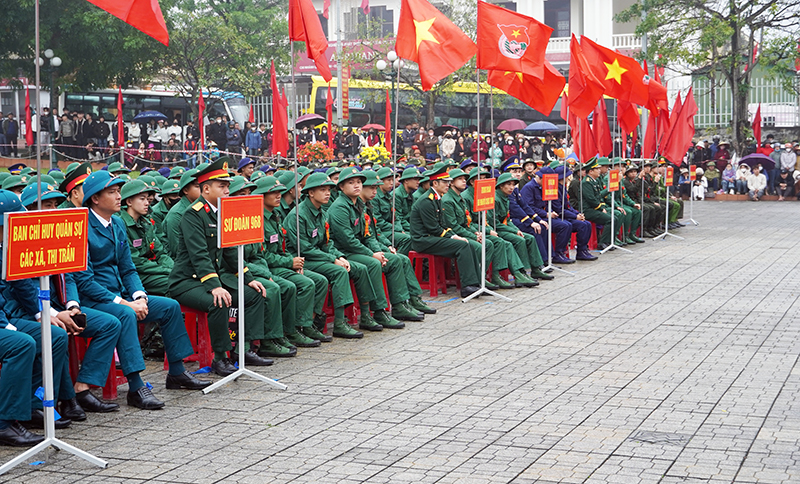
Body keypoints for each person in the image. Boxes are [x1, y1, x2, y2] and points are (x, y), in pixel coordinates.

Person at [75, 171, 211, 409]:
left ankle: (176, 372)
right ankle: (136, 387)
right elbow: (85, 282)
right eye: (113, 192)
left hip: (121, 295)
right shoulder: (83, 226)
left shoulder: (116, 223)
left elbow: (127, 268)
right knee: (126, 315)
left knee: (169, 306)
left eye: (118, 191)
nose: (119, 196)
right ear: (95, 198)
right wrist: (125, 303)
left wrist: (139, 295)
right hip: (94, 300)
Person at [169, 158, 278, 376]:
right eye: (222, 186)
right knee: (218, 301)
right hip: (187, 281)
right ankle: (220, 358)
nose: (228, 190)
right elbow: (199, 256)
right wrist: (215, 286)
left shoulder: (223, 211)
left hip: (212, 277)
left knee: (255, 293)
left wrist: (248, 278)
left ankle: (243, 350)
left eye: (228, 186)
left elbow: (230, 252)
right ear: (206, 188)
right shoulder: (193, 214)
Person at [329, 168, 420, 328]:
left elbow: (369, 234)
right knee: (373, 263)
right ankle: (376, 311)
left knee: (396, 259)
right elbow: (348, 241)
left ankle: (399, 305)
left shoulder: (359, 205)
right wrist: (372, 254)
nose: (357, 186)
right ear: (341, 187)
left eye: (358, 182)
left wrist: (378, 251)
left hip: (359, 249)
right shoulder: (340, 207)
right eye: (351, 183)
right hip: (345, 253)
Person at [284, 173, 369, 339]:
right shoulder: (298, 215)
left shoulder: (321, 212)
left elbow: (327, 242)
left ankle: (366, 314)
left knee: (356, 268)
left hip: (318, 257)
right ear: (311, 193)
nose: (328, 193)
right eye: (322, 190)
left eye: (329, 189)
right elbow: (305, 248)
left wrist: (339, 256)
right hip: (300, 260)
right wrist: (333, 259)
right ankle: (338, 323)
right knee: (338, 272)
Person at [252, 176, 331, 344]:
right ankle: (292, 330)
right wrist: (289, 262)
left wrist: (293, 261)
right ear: (261, 196)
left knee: (320, 280)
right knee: (303, 284)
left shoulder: (274, 216)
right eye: (273, 192)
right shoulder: (258, 220)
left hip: (281, 263)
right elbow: (263, 255)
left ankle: (307, 324)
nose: (278, 195)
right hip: (269, 267)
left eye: (279, 191)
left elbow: (283, 247)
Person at [442, 168, 535, 288]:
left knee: (510, 240)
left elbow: (470, 222)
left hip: (476, 229)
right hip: (459, 234)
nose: (463, 181)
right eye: (460, 179)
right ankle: (486, 276)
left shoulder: (469, 197)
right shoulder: (461, 198)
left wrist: (479, 231)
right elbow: (456, 225)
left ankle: (516, 273)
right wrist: (477, 233)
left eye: (485, 178)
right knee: (496, 242)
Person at [409, 165, 482, 298]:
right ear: (435, 183)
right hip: (423, 240)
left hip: (432, 237)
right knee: (462, 245)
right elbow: (433, 228)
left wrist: (454, 235)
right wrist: (454, 237)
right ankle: (467, 286)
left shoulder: (437, 198)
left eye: (449, 182)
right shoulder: (427, 201)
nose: (448, 185)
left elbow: (442, 224)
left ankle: (476, 282)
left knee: (469, 244)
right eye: (445, 182)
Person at [552, 165, 596, 261]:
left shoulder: (562, 188)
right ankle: (559, 252)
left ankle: (582, 250)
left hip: (567, 215)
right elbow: (559, 210)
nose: (569, 178)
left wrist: (577, 214)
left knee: (586, 224)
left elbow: (568, 205)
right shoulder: (555, 189)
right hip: (559, 216)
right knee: (567, 226)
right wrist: (575, 216)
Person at [580, 157, 624, 250]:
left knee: (615, 216)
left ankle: (610, 240)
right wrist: (600, 208)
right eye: (596, 169)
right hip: (589, 210)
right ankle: (603, 242)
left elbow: (599, 196)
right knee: (610, 219)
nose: (599, 170)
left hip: (595, 207)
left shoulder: (594, 181)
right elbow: (591, 200)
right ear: (591, 171)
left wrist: (602, 206)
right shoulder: (586, 182)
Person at [160, 169, 201, 257]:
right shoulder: (177, 214)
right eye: (198, 186)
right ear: (186, 190)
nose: (203, 190)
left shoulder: (200, 208)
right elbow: (177, 249)